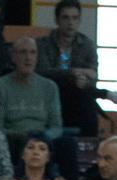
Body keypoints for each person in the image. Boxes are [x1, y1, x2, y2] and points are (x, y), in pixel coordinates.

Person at [0, 35, 62, 157]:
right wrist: (22, 137)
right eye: (23, 52)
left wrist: (40, 139)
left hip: (43, 139)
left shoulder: (50, 86)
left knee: (67, 144)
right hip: (14, 140)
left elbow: (56, 127)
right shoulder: (0, 85)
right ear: (13, 57)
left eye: (33, 53)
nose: (28, 58)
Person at [36, 0, 96, 131]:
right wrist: (73, 73)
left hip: (76, 97)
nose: (70, 22)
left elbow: (93, 77)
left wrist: (83, 81)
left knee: (87, 100)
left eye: (75, 18)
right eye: (65, 17)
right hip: (48, 95)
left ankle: (89, 146)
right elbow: (43, 73)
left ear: (79, 20)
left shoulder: (87, 45)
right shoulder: (43, 44)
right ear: (57, 20)